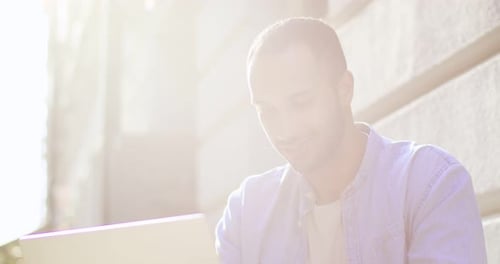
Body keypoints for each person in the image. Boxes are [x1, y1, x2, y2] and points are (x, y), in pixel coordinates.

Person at [215, 17, 487, 264]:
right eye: (267, 111)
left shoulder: (430, 184)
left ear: (344, 89)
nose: (285, 131)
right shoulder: (245, 213)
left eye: (301, 103)